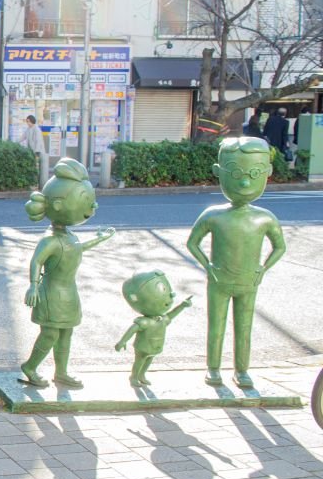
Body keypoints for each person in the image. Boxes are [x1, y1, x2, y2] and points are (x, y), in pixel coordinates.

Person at [187, 137, 285, 389]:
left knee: (244, 328)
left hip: (247, 280)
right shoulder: (214, 215)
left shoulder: (264, 218)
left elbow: (279, 246)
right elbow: (193, 243)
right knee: (216, 326)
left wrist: (263, 268)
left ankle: (242, 370)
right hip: (219, 279)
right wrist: (208, 266)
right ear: (219, 173)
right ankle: (214, 368)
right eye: (236, 173)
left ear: (267, 173)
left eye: (254, 174)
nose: (244, 182)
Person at [19, 158, 115, 389]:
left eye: (92, 201)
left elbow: (77, 248)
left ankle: (61, 371)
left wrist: (99, 239)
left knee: (66, 333)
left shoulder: (68, 238)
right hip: (52, 293)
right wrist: (33, 285)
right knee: (50, 333)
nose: (92, 207)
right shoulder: (50, 240)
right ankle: (30, 366)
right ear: (59, 205)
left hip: (69, 293)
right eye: (86, 201)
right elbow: (37, 261)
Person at [115, 270, 193, 388]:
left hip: (155, 345)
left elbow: (172, 315)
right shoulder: (145, 322)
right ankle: (134, 376)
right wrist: (123, 341)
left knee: (149, 359)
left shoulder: (161, 319)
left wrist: (182, 306)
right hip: (143, 346)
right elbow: (133, 329)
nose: (171, 295)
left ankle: (142, 375)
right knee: (140, 360)